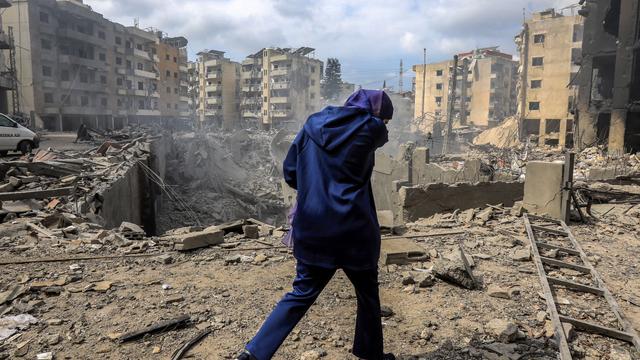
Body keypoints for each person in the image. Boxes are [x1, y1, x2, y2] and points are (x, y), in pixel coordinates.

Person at [236, 89, 395, 360]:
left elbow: (290, 172)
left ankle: (253, 354)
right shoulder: (372, 130)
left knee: (301, 293)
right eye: (385, 119)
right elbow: (379, 129)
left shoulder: (312, 125)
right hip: (354, 229)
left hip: (313, 226)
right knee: (367, 293)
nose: (386, 126)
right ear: (377, 115)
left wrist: (313, 186)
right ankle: (371, 354)